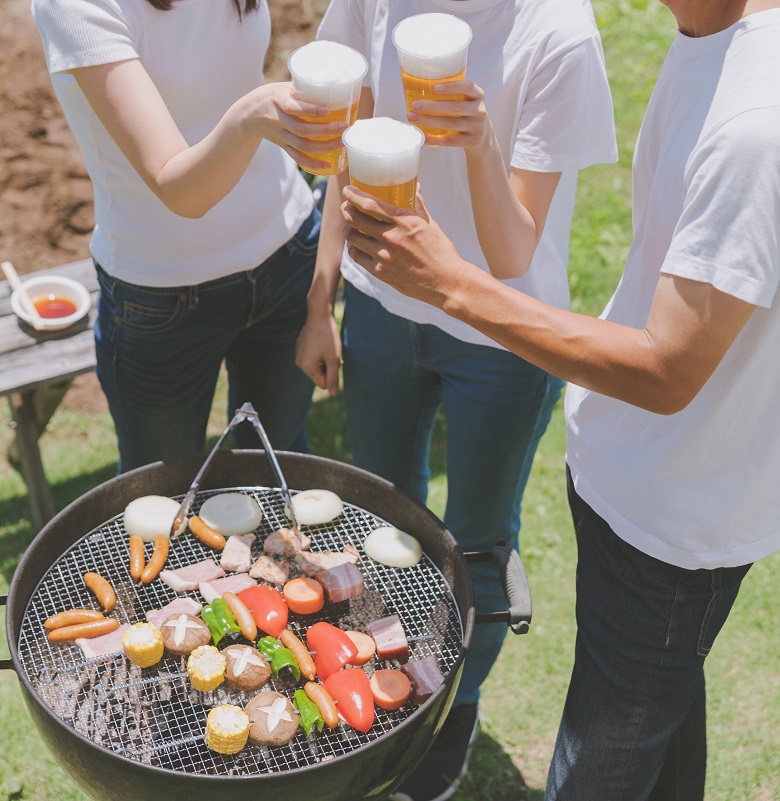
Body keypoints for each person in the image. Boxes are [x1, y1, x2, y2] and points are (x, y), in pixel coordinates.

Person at [339, 0, 780, 798]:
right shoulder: (708, 37)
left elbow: (668, 369)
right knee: (666, 731)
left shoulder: (757, 123)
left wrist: (449, 283)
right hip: (631, 479)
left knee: (592, 775)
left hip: (675, 526)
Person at [295, 1, 617, 798]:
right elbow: (351, 133)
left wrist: (479, 141)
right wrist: (321, 291)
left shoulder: (557, 33)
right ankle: (391, 682)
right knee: (381, 520)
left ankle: (455, 707)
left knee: (474, 541)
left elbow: (511, 252)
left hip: (501, 337)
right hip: (380, 310)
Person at [31, 0, 345, 472]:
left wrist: (320, 304)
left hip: (287, 254)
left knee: (276, 472)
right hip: (160, 298)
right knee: (162, 502)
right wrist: (251, 115)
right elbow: (181, 191)